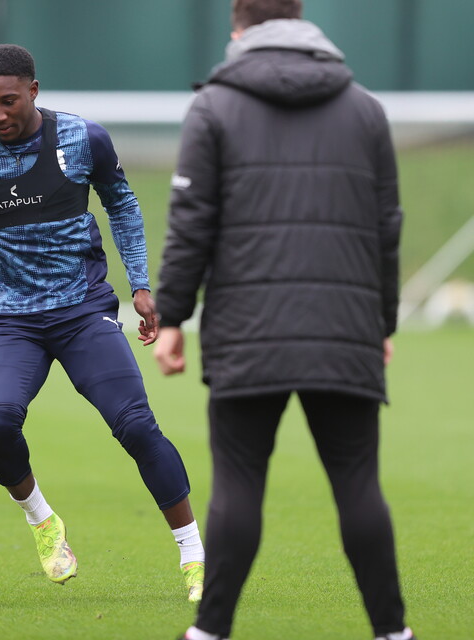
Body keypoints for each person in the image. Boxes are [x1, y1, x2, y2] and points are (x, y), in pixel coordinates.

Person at [154, 2, 413, 639]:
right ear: (302, 21)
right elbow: (387, 229)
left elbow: (191, 225)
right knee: (359, 485)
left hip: (247, 330)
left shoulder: (214, 107)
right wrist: (381, 322)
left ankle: (210, 631)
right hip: (344, 328)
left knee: (238, 486)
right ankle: (394, 633)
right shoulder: (366, 110)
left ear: (240, 27)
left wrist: (173, 319)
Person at [0, 43, 205, 600]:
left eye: (9, 101)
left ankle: (195, 555)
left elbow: (122, 205)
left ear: (34, 90)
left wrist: (141, 285)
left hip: (82, 310)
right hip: (8, 320)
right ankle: (42, 521)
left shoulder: (84, 139)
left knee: (135, 425)